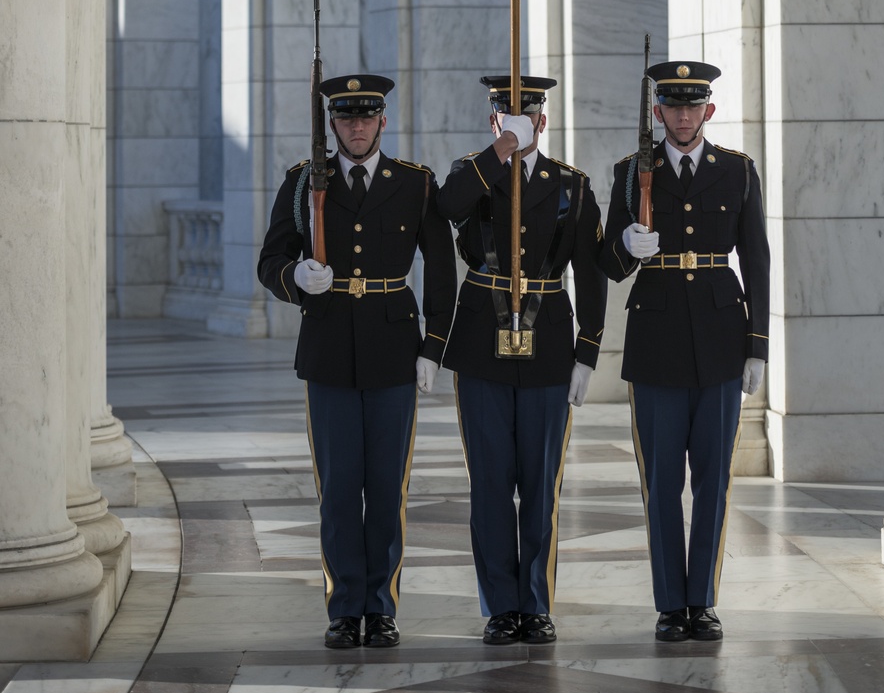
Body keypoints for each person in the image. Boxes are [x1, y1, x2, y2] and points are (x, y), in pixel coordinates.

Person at [257, 73, 457, 651]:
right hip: (328, 352)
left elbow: (441, 269)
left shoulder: (415, 183)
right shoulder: (304, 183)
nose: (358, 127)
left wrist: (434, 346)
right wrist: (295, 277)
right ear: (334, 126)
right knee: (340, 489)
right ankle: (345, 607)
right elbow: (271, 258)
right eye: (346, 119)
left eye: (367, 117)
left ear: (383, 122)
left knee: (386, 486)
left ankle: (381, 606)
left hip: (395, 350)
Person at [600, 60, 769, 644]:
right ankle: (671, 603)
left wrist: (758, 345)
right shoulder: (631, 173)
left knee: (714, 480)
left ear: (708, 112)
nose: (682, 115)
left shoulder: (737, 171)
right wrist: (627, 243)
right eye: (672, 106)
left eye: (692, 106)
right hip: (656, 342)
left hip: (722, 340)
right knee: (663, 480)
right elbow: (606, 263)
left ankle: (704, 601)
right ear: (657, 113)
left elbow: (758, 260)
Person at [437, 75, 607, 646]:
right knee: (489, 481)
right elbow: (446, 207)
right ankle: (499, 606)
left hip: (549, 344)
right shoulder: (473, 173)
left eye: (527, 119)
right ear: (493, 123)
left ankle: (534, 603)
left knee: (540, 482)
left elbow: (591, 270)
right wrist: (498, 155)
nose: (518, 126)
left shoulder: (571, 186)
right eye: (506, 120)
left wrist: (588, 350)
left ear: (543, 122)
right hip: (483, 342)